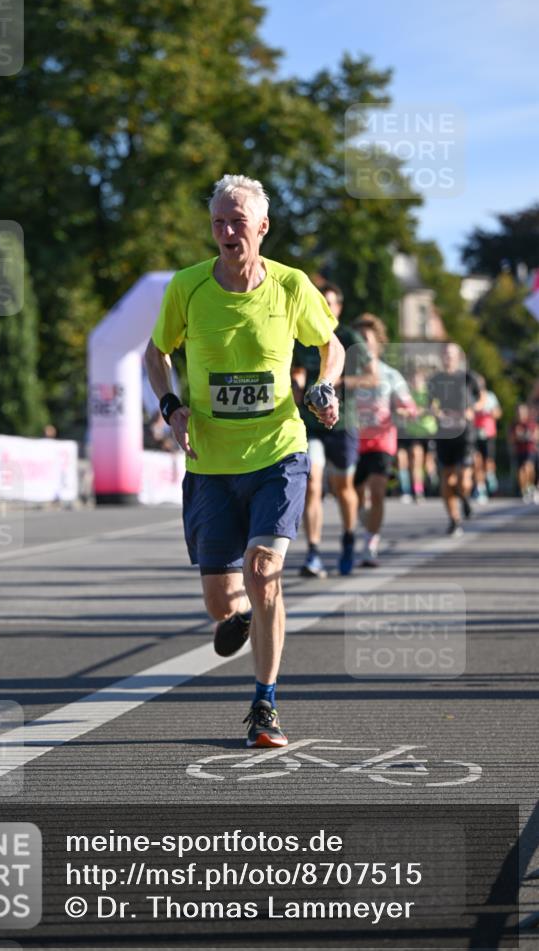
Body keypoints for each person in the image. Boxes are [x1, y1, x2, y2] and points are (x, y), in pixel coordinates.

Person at [145, 174, 343, 748]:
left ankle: (265, 704)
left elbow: (331, 346)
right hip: (209, 461)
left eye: (238, 221)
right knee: (219, 602)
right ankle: (241, 620)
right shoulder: (187, 287)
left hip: (278, 451)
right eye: (218, 222)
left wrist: (325, 388)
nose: (227, 232)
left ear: (262, 227)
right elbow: (156, 352)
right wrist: (171, 405)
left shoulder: (290, 285)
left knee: (263, 571)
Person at [291, 282, 376, 577]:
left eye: (330, 303)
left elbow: (371, 378)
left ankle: (349, 537)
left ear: (338, 308)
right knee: (312, 484)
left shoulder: (350, 338)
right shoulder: (305, 334)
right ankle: (313, 553)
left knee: (343, 488)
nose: (325, 308)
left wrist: (339, 382)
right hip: (311, 422)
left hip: (343, 422)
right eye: (321, 302)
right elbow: (297, 367)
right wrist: (298, 383)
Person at [351, 314, 416, 566]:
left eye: (366, 339)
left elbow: (409, 405)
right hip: (353, 441)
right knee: (354, 494)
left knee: (377, 491)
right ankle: (364, 518)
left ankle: (370, 542)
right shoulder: (347, 373)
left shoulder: (390, 375)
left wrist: (404, 410)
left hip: (381, 440)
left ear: (378, 344)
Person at [428, 343, 482, 536]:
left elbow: (481, 398)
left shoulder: (468, 377)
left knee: (462, 480)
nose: (447, 357)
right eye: (444, 354)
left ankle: (465, 496)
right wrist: (436, 412)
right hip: (444, 433)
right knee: (446, 478)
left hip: (465, 433)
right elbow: (429, 403)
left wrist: (471, 409)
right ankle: (454, 520)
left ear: (458, 357)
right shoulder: (435, 380)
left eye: (450, 354)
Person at [396, 367, 438, 503]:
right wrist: (405, 412)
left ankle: (432, 476)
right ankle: (418, 490)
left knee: (428, 462)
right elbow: (401, 408)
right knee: (416, 459)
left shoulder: (429, 393)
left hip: (429, 431)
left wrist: (421, 411)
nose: (415, 382)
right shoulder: (408, 395)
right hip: (414, 432)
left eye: (418, 380)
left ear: (423, 381)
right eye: (413, 380)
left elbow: (435, 410)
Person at [472, 373, 502, 502]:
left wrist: (488, 412)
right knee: (476, 461)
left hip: (488, 433)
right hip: (474, 433)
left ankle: (490, 477)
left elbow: (498, 413)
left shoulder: (490, 396)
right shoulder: (472, 397)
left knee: (488, 461)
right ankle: (480, 487)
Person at [509, 403, 538, 503]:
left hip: (530, 450)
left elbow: (536, 436)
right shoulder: (514, 425)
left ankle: (531, 485)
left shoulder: (531, 423)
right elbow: (511, 439)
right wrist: (517, 436)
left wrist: (528, 436)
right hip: (519, 451)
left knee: (528, 467)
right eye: (518, 412)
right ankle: (524, 490)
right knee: (521, 471)